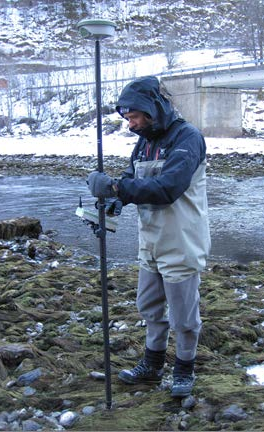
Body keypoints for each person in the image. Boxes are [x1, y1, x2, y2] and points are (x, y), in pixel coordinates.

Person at [87, 75, 211, 398]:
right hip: (151, 243)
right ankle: (152, 364)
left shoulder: (188, 139)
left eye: (135, 117)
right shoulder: (145, 142)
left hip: (181, 243)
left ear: (153, 108)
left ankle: (184, 367)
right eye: (128, 119)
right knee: (149, 306)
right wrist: (114, 201)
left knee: (184, 316)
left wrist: (116, 188)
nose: (131, 124)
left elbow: (168, 187)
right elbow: (132, 178)